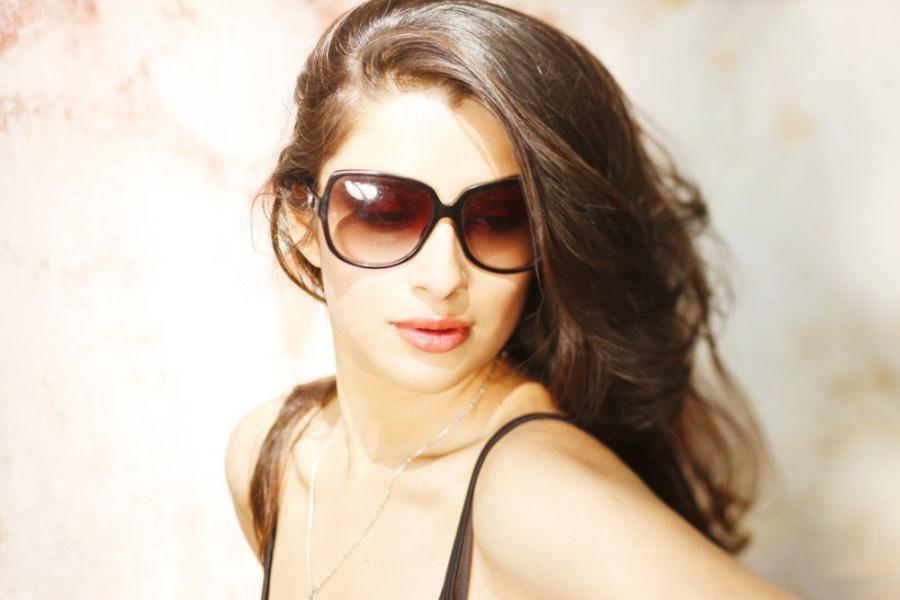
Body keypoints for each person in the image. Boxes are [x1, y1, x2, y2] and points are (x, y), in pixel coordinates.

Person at [226, 1, 797, 598]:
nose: (444, 278)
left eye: (498, 219)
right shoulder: (271, 456)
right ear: (303, 222)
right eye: (387, 212)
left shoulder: (532, 493)